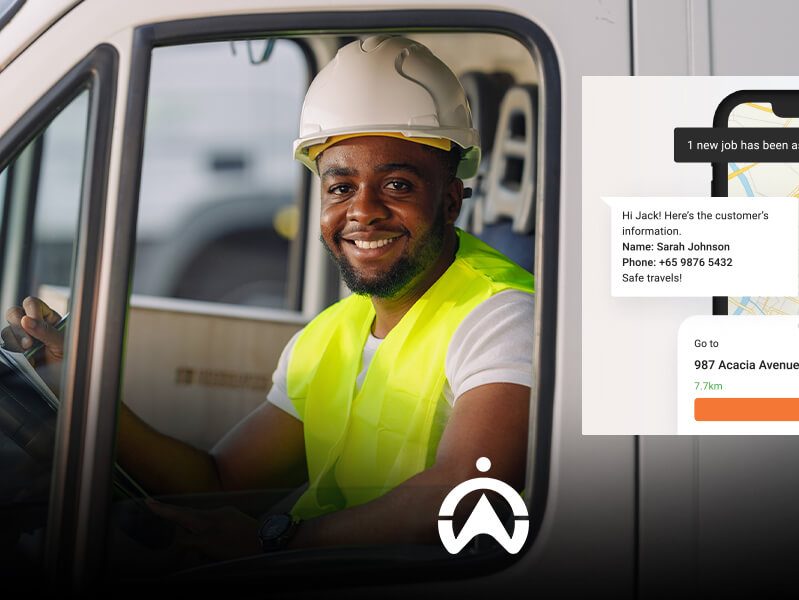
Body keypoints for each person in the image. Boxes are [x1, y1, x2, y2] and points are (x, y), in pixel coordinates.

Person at [2, 35, 534, 559]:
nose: (363, 211)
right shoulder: (328, 336)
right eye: (340, 187)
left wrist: (277, 540)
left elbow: (469, 498)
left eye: (397, 185)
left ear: (450, 200)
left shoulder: (503, 316)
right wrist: (79, 383)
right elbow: (218, 480)